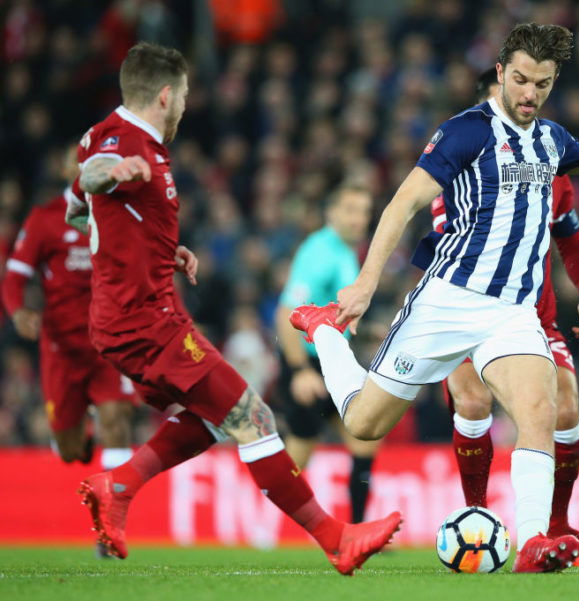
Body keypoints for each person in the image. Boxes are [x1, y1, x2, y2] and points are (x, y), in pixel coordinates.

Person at [290, 23, 579, 573]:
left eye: (543, 84)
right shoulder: (465, 131)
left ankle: (532, 543)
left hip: (513, 312)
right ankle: (323, 331)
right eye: (522, 80)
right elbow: (402, 203)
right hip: (447, 301)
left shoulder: (552, 140)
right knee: (364, 424)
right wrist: (366, 282)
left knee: (539, 409)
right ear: (502, 73)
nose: (530, 94)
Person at [69, 42, 400, 574]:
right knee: (254, 415)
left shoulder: (111, 136)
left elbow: (77, 211)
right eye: (184, 97)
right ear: (165, 95)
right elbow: (92, 179)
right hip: (144, 320)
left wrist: (155, 248)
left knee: (217, 417)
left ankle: (120, 486)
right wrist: (114, 172)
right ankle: (336, 539)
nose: (185, 107)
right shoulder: (125, 142)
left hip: (132, 317)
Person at [429, 68, 579, 568]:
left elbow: (570, 234)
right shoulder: (459, 170)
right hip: (467, 315)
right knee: (471, 400)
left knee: (565, 412)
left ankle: (558, 527)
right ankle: (477, 515)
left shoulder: (549, 166)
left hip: (534, 318)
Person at [1, 148, 137, 475]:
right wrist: (18, 312)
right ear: (67, 172)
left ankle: (119, 497)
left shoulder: (119, 215)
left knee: (116, 418)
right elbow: (15, 276)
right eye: (82, 166)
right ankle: (80, 428)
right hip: (62, 347)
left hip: (109, 342)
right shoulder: (45, 219)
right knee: (68, 449)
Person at [274, 183, 379, 524]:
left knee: (364, 437)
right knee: (299, 454)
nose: (359, 219)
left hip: (333, 361)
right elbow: (286, 311)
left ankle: (360, 529)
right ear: (331, 213)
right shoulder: (319, 251)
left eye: (364, 211)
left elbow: (332, 312)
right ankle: (258, 524)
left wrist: (370, 331)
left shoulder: (346, 252)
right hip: (309, 364)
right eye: (350, 210)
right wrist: (299, 370)